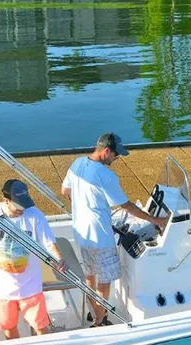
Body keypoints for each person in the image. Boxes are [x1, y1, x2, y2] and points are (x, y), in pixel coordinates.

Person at [61, 132, 168, 327]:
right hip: (100, 236)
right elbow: (126, 205)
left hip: (82, 233)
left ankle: (92, 311)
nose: (116, 159)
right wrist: (155, 220)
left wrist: (83, 202)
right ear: (106, 151)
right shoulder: (105, 175)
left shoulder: (77, 164)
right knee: (105, 281)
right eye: (115, 155)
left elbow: (65, 191)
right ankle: (100, 321)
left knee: (90, 275)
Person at [0, 179, 66, 340]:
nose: (22, 210)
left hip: (30, 286)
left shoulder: (35, 215)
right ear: (6, 200)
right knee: (9, 329)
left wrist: (59, 258)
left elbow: (49, 242)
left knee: (41, 327)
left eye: (25, 204)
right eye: (19, 206)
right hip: (0, 288)